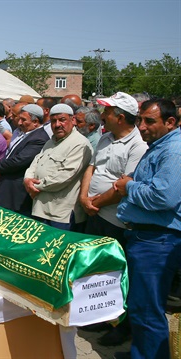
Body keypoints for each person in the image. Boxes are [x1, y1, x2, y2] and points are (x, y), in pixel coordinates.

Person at [113, 98, 181, 359]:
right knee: (141, 305)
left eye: (149, 121)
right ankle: (141, 353)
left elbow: (163, 197)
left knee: (147, 308)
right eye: (140, 120)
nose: (141, 126)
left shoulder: (173, 150)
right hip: (147, 238)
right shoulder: (160, 146)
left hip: (157, 241)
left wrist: (128, 186)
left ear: (170, 122)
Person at [78, 92, 147, 347]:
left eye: (107, 112)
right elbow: (91, 168)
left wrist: (94, 202)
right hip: (94, 213)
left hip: (115, 220)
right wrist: (85, 197)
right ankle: (98, 314)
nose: (102, 115)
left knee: (117, 274)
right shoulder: (106, 138)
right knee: (96, 271)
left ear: (120, 117)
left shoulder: (138, 146)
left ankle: (121, 324)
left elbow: (123, 187)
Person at [24, 104, 92, 230]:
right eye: (53, 121)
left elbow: (63, 177)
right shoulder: (51, 141)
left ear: (73, 120)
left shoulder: (80, 144)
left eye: (62, 120)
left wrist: (34, 186)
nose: (57, 124)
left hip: (60, 214)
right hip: (40, 208)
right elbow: (36, 162)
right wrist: (27, 179)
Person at [0, 104, 50, 216]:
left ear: (35, 122)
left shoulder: (39, 138)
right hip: (8, 187)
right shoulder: (25, 133)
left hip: (17, 192)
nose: (19, 123)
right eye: (19, 119)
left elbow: (19, 160)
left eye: (24, 120)